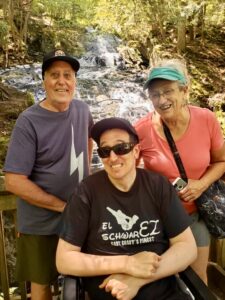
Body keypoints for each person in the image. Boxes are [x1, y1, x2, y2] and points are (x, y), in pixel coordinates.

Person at [56, 117, 197, 300]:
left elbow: (187, 247)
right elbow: (64, 259)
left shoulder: (158, 185)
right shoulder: (86, 192)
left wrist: (137, 280)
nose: (113, 157)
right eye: (105, 151)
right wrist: (127, 263)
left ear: (136, 150)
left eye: (121, 148)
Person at [3, 49, 93, 300]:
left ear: (75, 81)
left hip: (79, 218)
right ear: (44, 80)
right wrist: (63, 206)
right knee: (42, 285)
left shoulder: (83, 110)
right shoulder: (28, 121)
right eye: (54, 75)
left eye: (68, 75)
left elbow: (88, 143)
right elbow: (14, 181)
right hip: (40, 223)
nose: (61, 81)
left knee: (87, 278)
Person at [134, 59, 225, 284]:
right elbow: (130, 175)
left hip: (194, 215)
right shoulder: (140, 130)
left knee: (198, 278)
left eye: (168, 91)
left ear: (184, 90)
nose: (161, 100)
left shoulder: (206, 119)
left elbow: (222, 161)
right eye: (155, 94)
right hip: (157, 218)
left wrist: (201, 184)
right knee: (162, 282)